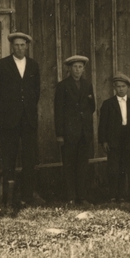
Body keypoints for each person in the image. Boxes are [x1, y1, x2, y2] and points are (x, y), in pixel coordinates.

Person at [0, 31, 42, 209]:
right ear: (12, 46)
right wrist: (4, 114)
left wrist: (27, 110)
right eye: (16, 45)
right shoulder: (2, 65)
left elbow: (36, 92)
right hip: (8, 122)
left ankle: (27, 197)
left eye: (23, 45)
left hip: (28, 120)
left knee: (29, 159)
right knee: (9, 158)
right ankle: (9, 199)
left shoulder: (33, 65)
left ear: (27, 46)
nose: (20, 48)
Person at [54, 54, 96, 204]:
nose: (77, 70)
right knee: (69, 165)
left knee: (82, 166)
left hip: (84, 132)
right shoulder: (63, 86)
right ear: (69, 69)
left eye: (80, 67)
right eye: (75, 67)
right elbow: (58, 111)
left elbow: (92, 107)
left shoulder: (87, 85)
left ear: (84, 69)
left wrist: (83, 119)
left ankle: (82, 197)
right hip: (69, 133)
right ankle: (71, 197)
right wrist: (60, 134)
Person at [98, 73, 130, 201]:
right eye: (118, 86)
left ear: (128, 88)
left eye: (123, 86)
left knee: (124, 167)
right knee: (113, 168)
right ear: (114, 88)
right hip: (113, 139)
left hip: (126, 138)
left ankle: (122, 195)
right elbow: (103, 124)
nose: (121, 89)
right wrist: (103, 140)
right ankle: (112, 194)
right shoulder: (108, 104)